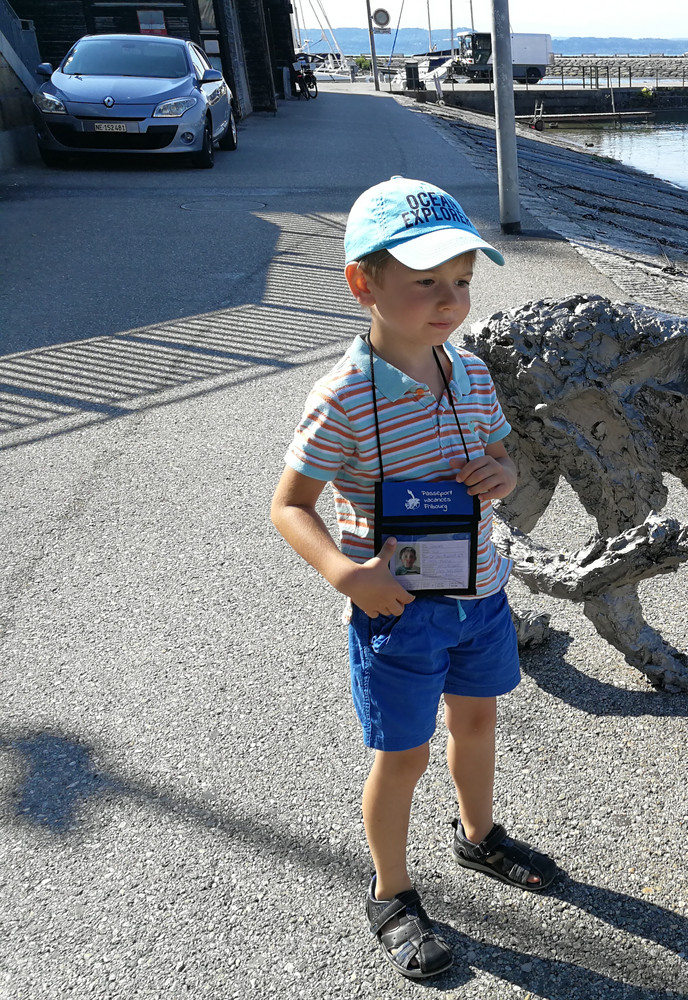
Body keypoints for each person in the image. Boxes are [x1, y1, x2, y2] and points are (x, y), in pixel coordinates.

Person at [270, 177, 556, 980]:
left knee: (478, 722)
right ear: (362, 283)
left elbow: (500, 455)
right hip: (397, 609)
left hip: (481, 594)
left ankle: (478, 836)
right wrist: (345, 574)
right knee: (404, 755)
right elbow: (289, 505)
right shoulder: (343, 397)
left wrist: (502, 473)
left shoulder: (469, 374)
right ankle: (390, 892)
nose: (449, 299)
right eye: (425, 281)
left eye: (461, 280)